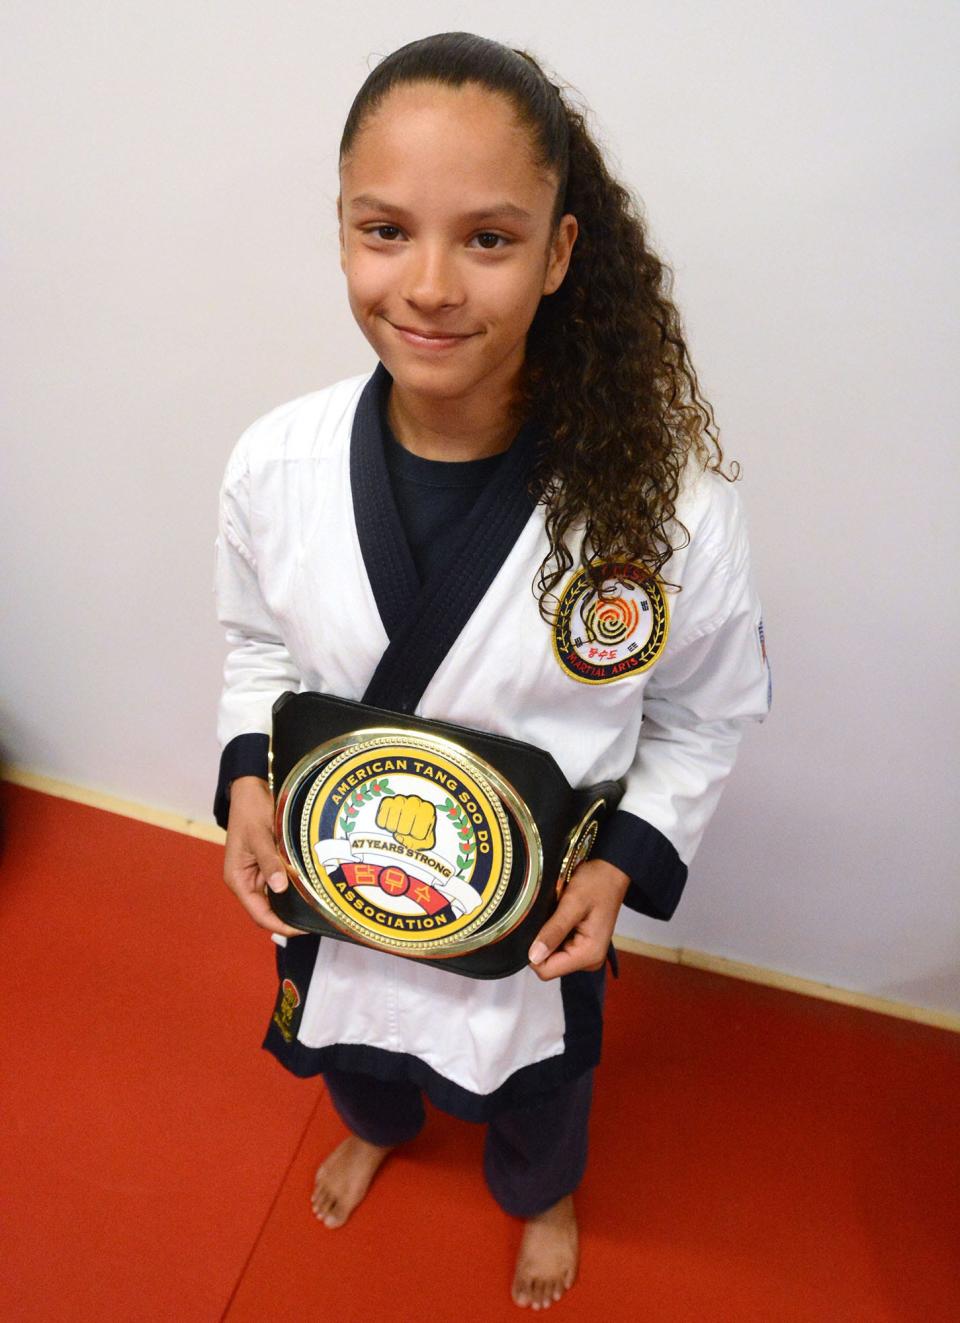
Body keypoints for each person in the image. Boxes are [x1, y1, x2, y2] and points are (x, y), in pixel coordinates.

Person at [213, 31, 770, 1311]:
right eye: (385, 229)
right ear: (342, 231)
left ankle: (541, 1194)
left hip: (532, 911)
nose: (427, 285)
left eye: (488, 238)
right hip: (345, 872)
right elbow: (255, 646)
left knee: (537, 1083)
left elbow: (701, 713)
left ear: (561, 252)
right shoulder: (275, 464)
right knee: (354, 1036)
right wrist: (250, 773)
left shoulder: (659, 512)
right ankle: (379, 1125)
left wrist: (624, 860)